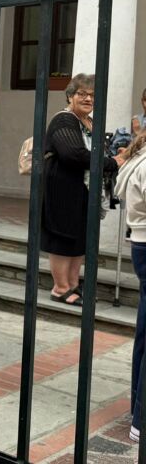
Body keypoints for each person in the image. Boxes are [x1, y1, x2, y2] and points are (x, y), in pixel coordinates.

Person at [41, 74, 123, 307]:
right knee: (63, 237)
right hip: (63, 190)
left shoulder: (89, 122)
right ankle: (60, 288)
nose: (88, 98)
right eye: (82, 94)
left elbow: (95, 152)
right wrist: (112, 163)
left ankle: (73, 284)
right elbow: (73, 154)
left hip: (84, 190)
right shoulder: (64, 120)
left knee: (80, 239)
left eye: (93, 95)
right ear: (70, 96)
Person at [115, 129, 146, 442]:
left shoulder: (139, 157)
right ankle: (141, 419)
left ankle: (138, 404)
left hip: (140, 244)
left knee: (144, 331)